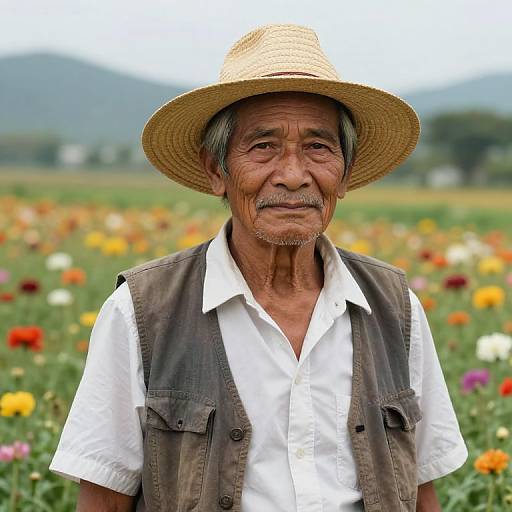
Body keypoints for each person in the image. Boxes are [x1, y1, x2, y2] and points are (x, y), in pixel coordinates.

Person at [49, 24, 468, 511]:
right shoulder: (143, 313)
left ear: (345, 174)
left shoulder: (396, 309)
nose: (293, 176)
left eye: (318, 147)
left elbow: (421, 491)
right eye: (263, 146)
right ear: (215, 171)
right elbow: (103, 499)